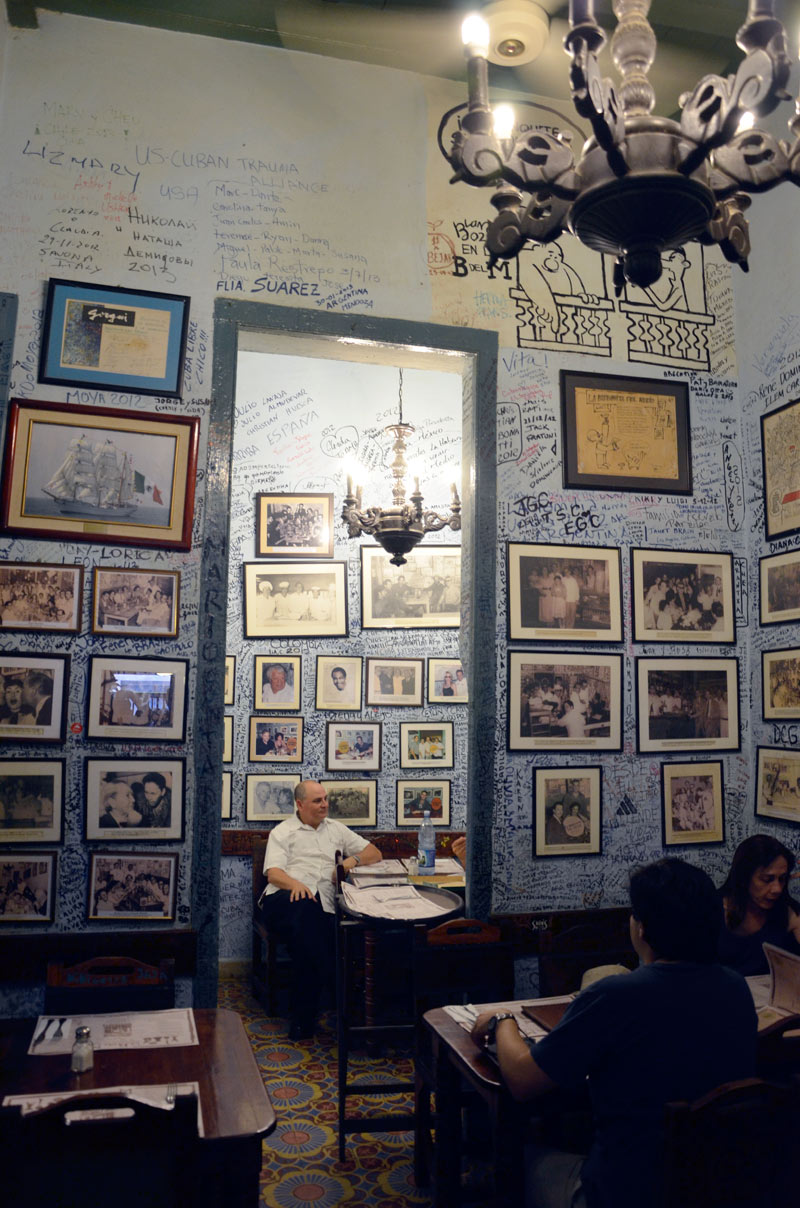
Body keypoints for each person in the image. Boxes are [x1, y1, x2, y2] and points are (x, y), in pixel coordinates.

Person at [470, 858, 757, 1208]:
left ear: (642, 928)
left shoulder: (614, 996)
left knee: (513, 1157)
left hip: (624, 1192)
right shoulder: (735, 987)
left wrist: (503, 1020)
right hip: (715, 1185)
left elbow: (522, 1080)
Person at [259, 780, 382, 1039]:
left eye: (325, 799)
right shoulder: (282, 832)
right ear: (300, 804)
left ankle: (303, 1020)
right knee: (307, 912)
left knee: (308, 934)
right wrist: (297, 885)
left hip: (321, 907)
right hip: (282, 900)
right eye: (317, 801)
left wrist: (348, 864)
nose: (324, 804)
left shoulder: (336, 830)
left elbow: (374, 852)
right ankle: (343, 995)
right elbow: (273, 874)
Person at [718, 834, 800, 975]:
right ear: (744, 878)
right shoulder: (712, 909)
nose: (777, 889)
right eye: (767, 879)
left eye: (782, 879)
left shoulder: (787, 911)